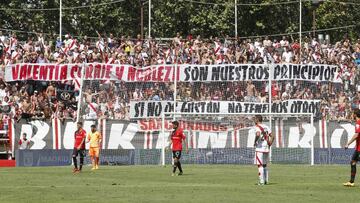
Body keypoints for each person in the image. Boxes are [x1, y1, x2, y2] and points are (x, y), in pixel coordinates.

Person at [253, 115, 273, 185]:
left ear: (257, 120)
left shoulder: (257, 127)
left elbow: (258, 134)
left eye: (255, 119)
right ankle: (266, 181)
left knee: (260, 165)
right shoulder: (266, 126)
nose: (254, 120)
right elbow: (272, 136)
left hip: (260, 148)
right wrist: (270, 143)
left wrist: (255, 141)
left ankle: (261, 181)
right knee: (265, 165)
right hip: (266, 147)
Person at [343, 108, 360, 187]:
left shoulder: (358, 123)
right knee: (353, 162)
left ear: (355, 114)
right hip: (358, 148)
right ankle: (351, 181)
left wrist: (348, 143)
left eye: (353, 113)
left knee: (353, 162)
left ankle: (351, 181)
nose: (352, 115)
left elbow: (356, 135)